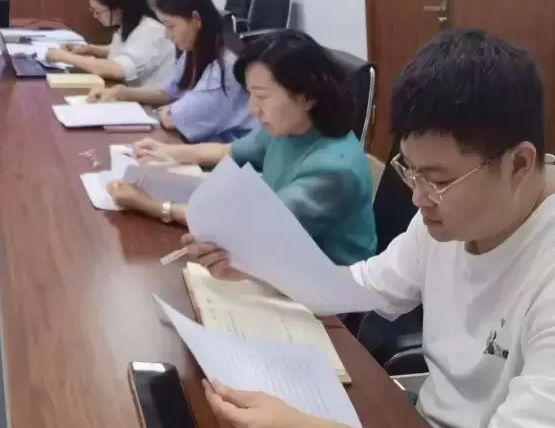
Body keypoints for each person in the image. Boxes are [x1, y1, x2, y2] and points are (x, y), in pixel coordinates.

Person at [184, 29, 555, 428]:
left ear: (518, 164)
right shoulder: (449, 217)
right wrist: (250, 265)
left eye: (438, 179)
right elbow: (362, 286)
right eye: (411, 171)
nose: (418, 197)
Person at [112, 29, 375, 265]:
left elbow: (251, 225)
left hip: (323, 285)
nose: (252, 108)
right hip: (276, 254)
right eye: (250, 94)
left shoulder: (333, 168)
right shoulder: (290, 126)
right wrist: (171, 151)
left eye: (261, 96)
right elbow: (231, 151)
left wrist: (152, 205)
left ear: (306, 96)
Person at [88, 0, 256, 143]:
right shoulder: (196, 49)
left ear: (196, 19)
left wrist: (170, 110)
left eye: (170, 26)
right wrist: (121, 92)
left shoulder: (224, 67)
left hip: (233, 153)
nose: (167, 35)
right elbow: (168, 91)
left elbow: (171, 119)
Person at [44, 0, 175, 87]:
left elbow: (116, 69)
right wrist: (89, 49)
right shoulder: (131, 23)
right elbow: (124, 50)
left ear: (118, 8)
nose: (95, 16)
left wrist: (64, 57)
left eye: (98, 11)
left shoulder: (150, 31)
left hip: (146, 104)